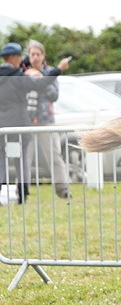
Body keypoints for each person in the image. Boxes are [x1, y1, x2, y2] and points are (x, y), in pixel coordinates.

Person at [0, 42, 54, 204]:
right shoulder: (18, 78)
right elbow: (40, 85)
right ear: (13, 58)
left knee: (1, 159)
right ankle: (22, 193)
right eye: (18, 57)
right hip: (19, 124)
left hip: (1, 125)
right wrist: (56, 71)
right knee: (20, 159)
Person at [22, 40, 72, 199]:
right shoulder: (23, 73)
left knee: (54, 156)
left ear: (43, 56)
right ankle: (22, 191)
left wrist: (42, 79)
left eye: (38, 54)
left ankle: (63, 189)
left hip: (45, 120)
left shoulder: (50, 73)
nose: (35, 57)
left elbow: (54, 96)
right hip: (26, 121)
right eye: (32, 54)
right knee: (24, 158)